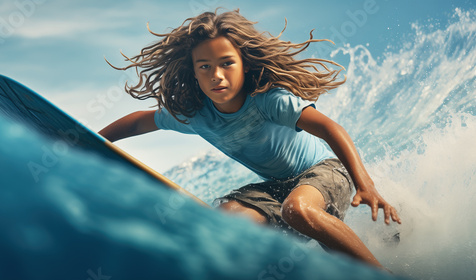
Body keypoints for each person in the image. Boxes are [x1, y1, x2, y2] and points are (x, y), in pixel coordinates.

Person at [99, 9, 401, 268]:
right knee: (224, 222)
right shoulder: (196, 114)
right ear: (193, 73)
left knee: (298, 209)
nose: (216, 75)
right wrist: (98, 140)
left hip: (324, 170)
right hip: (279, 186)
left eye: (226, 63)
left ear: (244, 64)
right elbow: (139, 123)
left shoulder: (268, 100)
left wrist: (365, 184)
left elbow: (329, 128)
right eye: (205, 67)